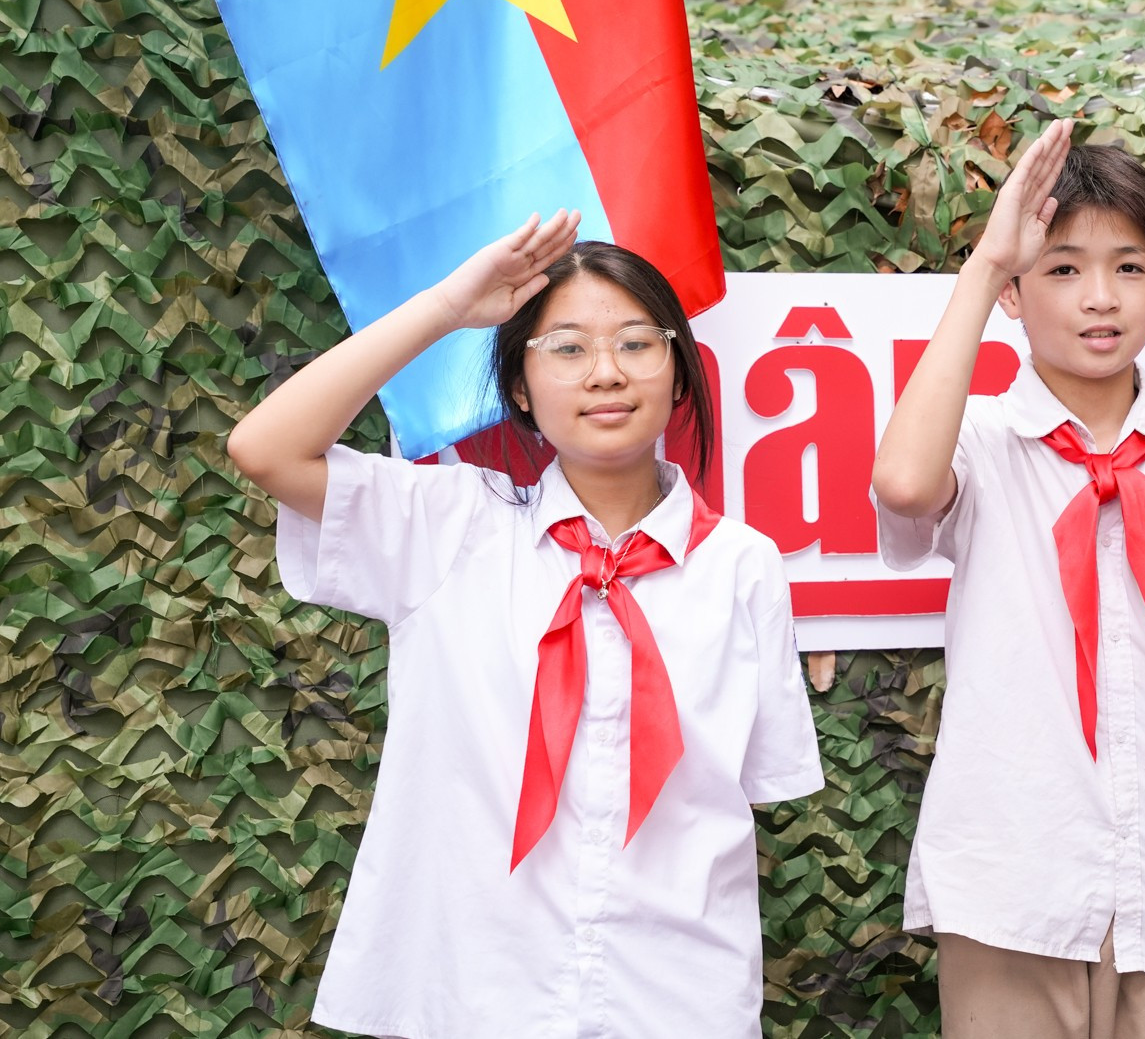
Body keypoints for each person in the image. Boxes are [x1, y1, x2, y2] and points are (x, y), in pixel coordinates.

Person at [226, 216, 823, 1039]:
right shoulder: (449, 527)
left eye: (637, 343)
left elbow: (741, 796)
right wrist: (443, 308)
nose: (606, 372)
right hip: (478, 992)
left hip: (680, 996)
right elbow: (264, 449)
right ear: (519, 387)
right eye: (568, 348)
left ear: (680, 373)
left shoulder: (743, 566)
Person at [871, 121, 1145, 1039]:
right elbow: (905, 483)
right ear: (1018, 295)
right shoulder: (982, 444)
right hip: (1009, 893)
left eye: (1128, 268)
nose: (1099, 298)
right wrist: (987, 263)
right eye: (1062, 269)